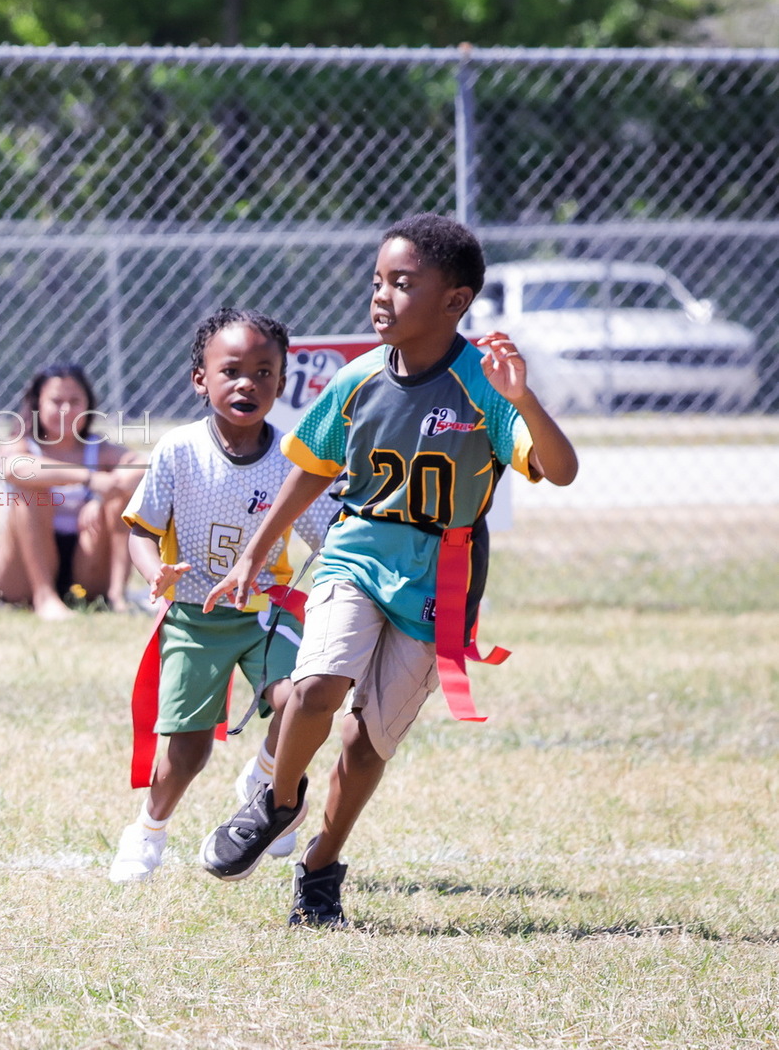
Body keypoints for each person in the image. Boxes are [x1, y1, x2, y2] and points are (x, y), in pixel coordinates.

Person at [197, 213, 579, 927]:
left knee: (366, 741)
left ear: (454, 301)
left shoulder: (484, 386)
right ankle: (278, 802)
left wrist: (523, 398)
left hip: (442, 575)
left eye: (402, 283)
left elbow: (561, 470)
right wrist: (254, 553)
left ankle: (320, 869)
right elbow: (313, 470)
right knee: (315, 686)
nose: (381, 295)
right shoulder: (358, 379)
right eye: (378, 280)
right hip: (357, 549)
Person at [106, 308, 336, 884]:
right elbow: (140, 531)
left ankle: (265, 779)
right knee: (187, 750)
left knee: (302, 695)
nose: (247, 384)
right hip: (194, 617)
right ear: (199, 379)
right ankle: (148, 832)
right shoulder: (179, 449)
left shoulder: (295, 458)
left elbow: (329, 534)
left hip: (266, 613)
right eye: (231, 371)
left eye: (263, 373)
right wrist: (155, 572)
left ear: (281, 384)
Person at [0, 363, 142, 618]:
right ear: (37, 404)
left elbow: (144, 467)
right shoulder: (22, 445)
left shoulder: (98, 449)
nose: (66, 410)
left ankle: (117, 596)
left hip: (86, 563)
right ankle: (44, 597)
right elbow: (15, 468)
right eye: (56, 401)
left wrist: (102, 497)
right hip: (23, 572)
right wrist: (89, 478)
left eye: (75, 401)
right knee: (32, 492)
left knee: (119, 498)